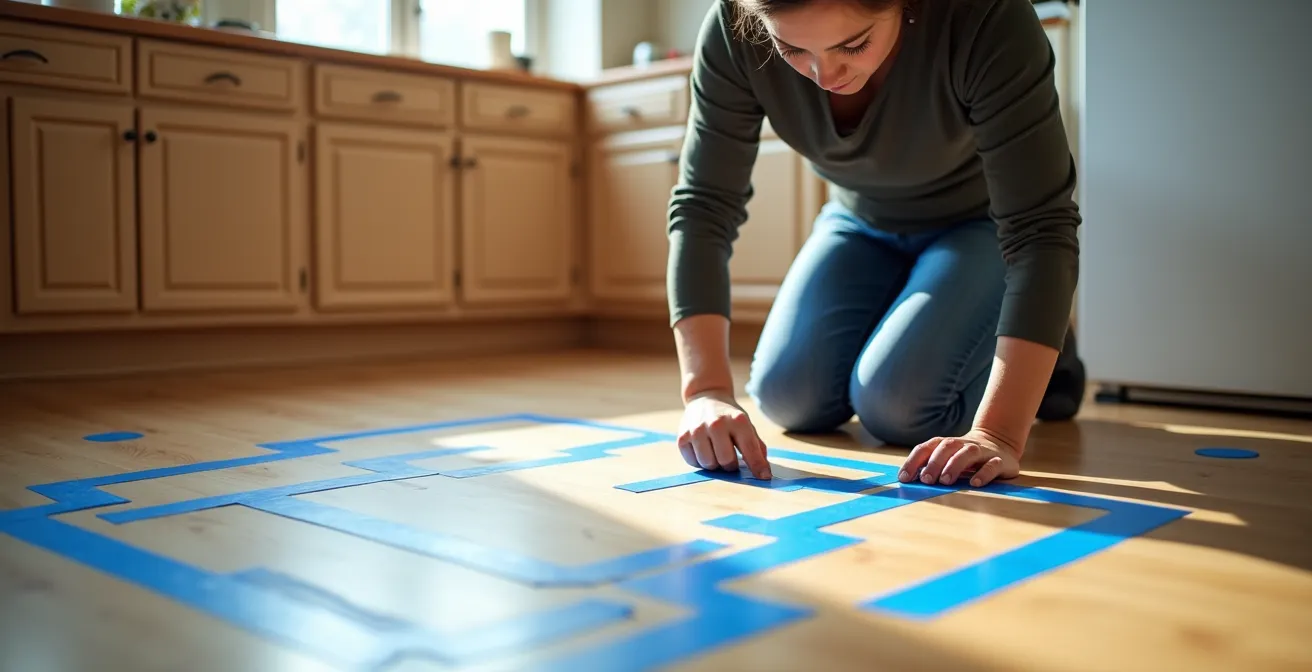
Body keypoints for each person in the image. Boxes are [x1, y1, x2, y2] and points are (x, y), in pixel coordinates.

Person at [667, 0, 1086, 488]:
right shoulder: (733, 27)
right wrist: (706, 391)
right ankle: (931, 316)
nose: (824, 74)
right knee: (787, 397)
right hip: (859, 222)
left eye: (853, 44)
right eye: (791, 48)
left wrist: (999, 434)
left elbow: (1040, 227)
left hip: (981, 226)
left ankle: (1044, 354)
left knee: (898, 407)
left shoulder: (989, 18)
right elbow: (703, 206)